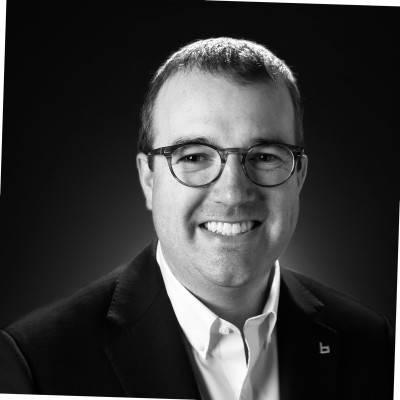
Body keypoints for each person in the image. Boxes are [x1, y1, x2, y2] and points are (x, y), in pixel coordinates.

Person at [0, 37, 394, 400]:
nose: (233, 193)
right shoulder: (36, 364)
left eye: (264, 156)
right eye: (194, 156)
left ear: (300, 177)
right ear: (149, 179)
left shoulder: (373, 344)